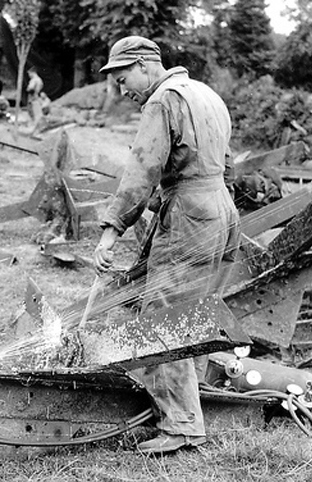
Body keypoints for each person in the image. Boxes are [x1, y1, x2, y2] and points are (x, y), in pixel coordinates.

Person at [93, 36, 239, 455]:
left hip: (191, 217)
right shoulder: (205, 94)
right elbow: (224, 165)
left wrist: (111, 231)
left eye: (123, 79)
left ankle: (181, 424)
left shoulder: (162, 100)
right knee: (194, 315)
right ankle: (192, 407)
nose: (123, 91)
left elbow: (142, 170)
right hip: (222, 211)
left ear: (144, 65)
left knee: (163, 316)